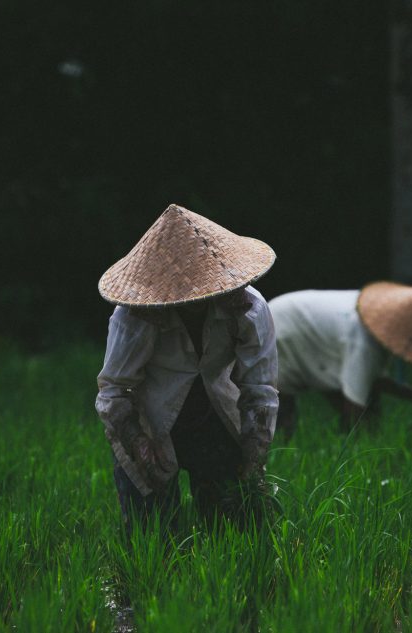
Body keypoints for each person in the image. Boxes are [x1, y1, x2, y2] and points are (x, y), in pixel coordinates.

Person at [95, 204, 279, 531]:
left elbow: (260, 389)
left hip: (216, 415)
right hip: (149, 420)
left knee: (234, 528)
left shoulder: (247, 308)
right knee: (152, 536)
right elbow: (114, 391)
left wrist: (255, 453)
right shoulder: (136, 315)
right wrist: (138, 443)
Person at [268, 281, 412, 436]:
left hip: (302, 327)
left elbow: (372, 377)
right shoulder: (364, 341)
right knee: (280, 413)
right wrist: (356, 441)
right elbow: (354, 404)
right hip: (282, 330)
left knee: (366, 403)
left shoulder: (370, 323)